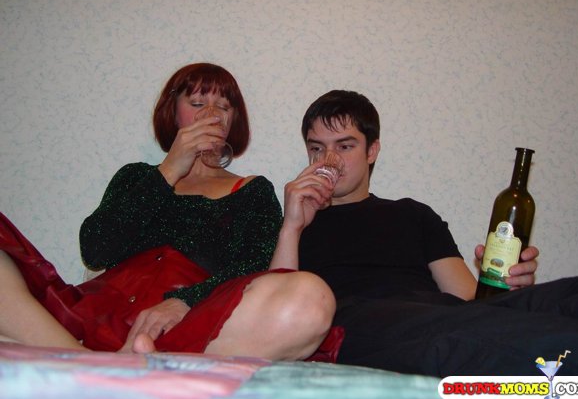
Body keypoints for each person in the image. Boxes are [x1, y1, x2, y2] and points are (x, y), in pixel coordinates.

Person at [0, 63, 337, 361]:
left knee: (309, 296)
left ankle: (137, 364)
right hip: (96, 315)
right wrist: (170, 169)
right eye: (197, 104)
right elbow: (95, 249)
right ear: (174, 114)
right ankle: (83, 360)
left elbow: (256, 266)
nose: (212, 115)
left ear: (233, 121)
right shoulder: (136, 177)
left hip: (188, 326)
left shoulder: (252, 190)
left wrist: (185, 301)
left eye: (223, 107)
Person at [270, 89, 578, 379]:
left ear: (372, 151)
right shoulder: (298, 224)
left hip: (435, 313)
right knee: (486, 335)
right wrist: (292, 226)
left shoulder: (413, 214)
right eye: (317, 148)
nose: (329, 160)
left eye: (344, 146)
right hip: (357, 323)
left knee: (575, 292)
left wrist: (508, 287)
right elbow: (274, 318)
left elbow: (469, 300)